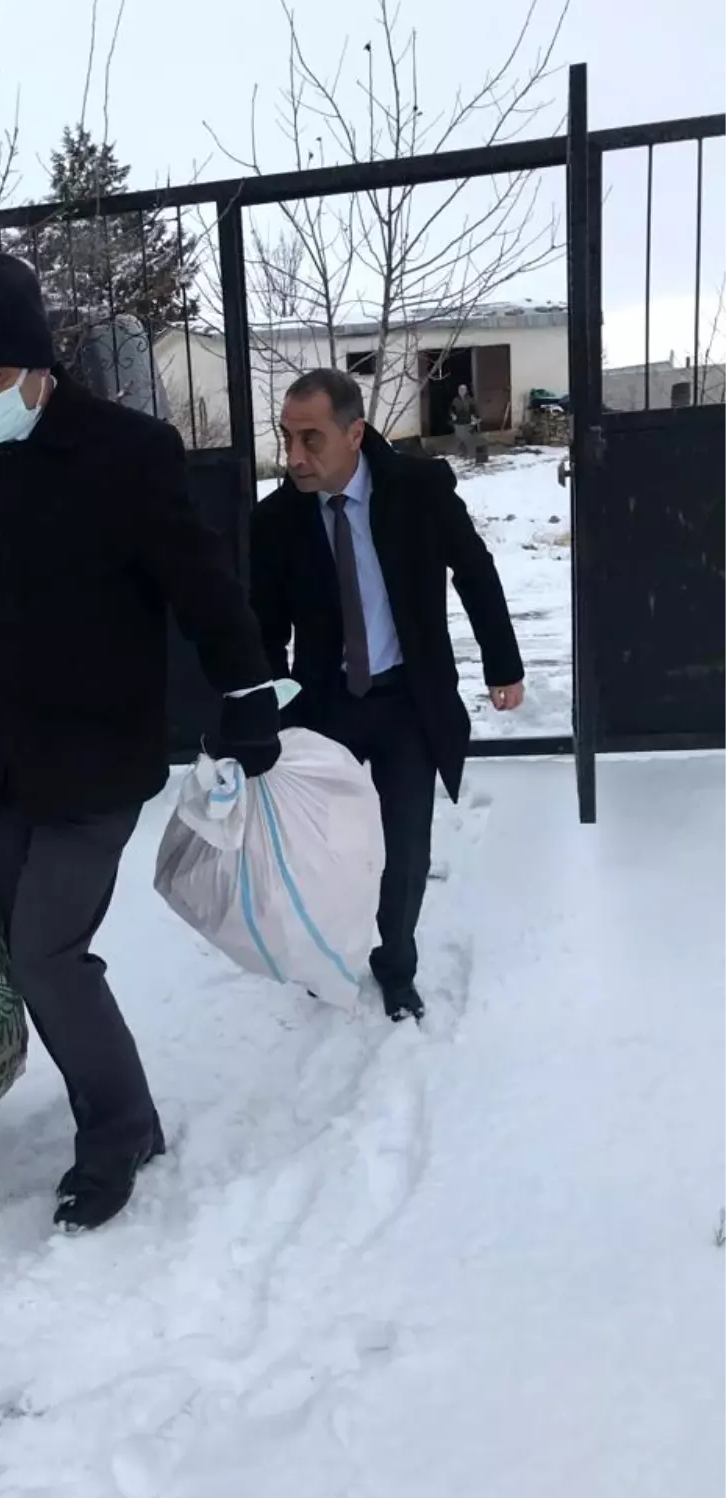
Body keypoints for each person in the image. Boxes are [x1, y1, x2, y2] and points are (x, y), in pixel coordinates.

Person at [0, 248, 280, 1232]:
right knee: (23, 954)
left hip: (99, 754)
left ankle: (120, 1130)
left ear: (41, 364)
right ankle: (111, 1105)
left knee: (47, 951)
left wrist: (249, 685)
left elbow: (201, 581)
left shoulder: (126, 452)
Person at [250, 368, 524, 1024]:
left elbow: (474, 571)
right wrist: (267, 711)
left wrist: (503, 664)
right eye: (286, 437)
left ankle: (395, 963)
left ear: (354, 432)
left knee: (405, 849)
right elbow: (263, 626)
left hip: (406, 700)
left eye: (311, 439)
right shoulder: (276, 519)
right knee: (329, 854)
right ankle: (329, 952)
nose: (294, 456)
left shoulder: (418, 489)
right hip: (325, 706)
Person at [450, 383, 479, 457]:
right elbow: (451, 410)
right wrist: (453, 415)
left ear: (466, 391)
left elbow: (473, 410)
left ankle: (469, 453)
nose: (461, 391)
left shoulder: (469, 399)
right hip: (458, 423)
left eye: (463, 389)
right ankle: (460, 453)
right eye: (460, 389)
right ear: (458, 391)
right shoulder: (455, 400)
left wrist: (474, 417)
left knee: (468, 439)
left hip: (467, 422)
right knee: (459, 439)